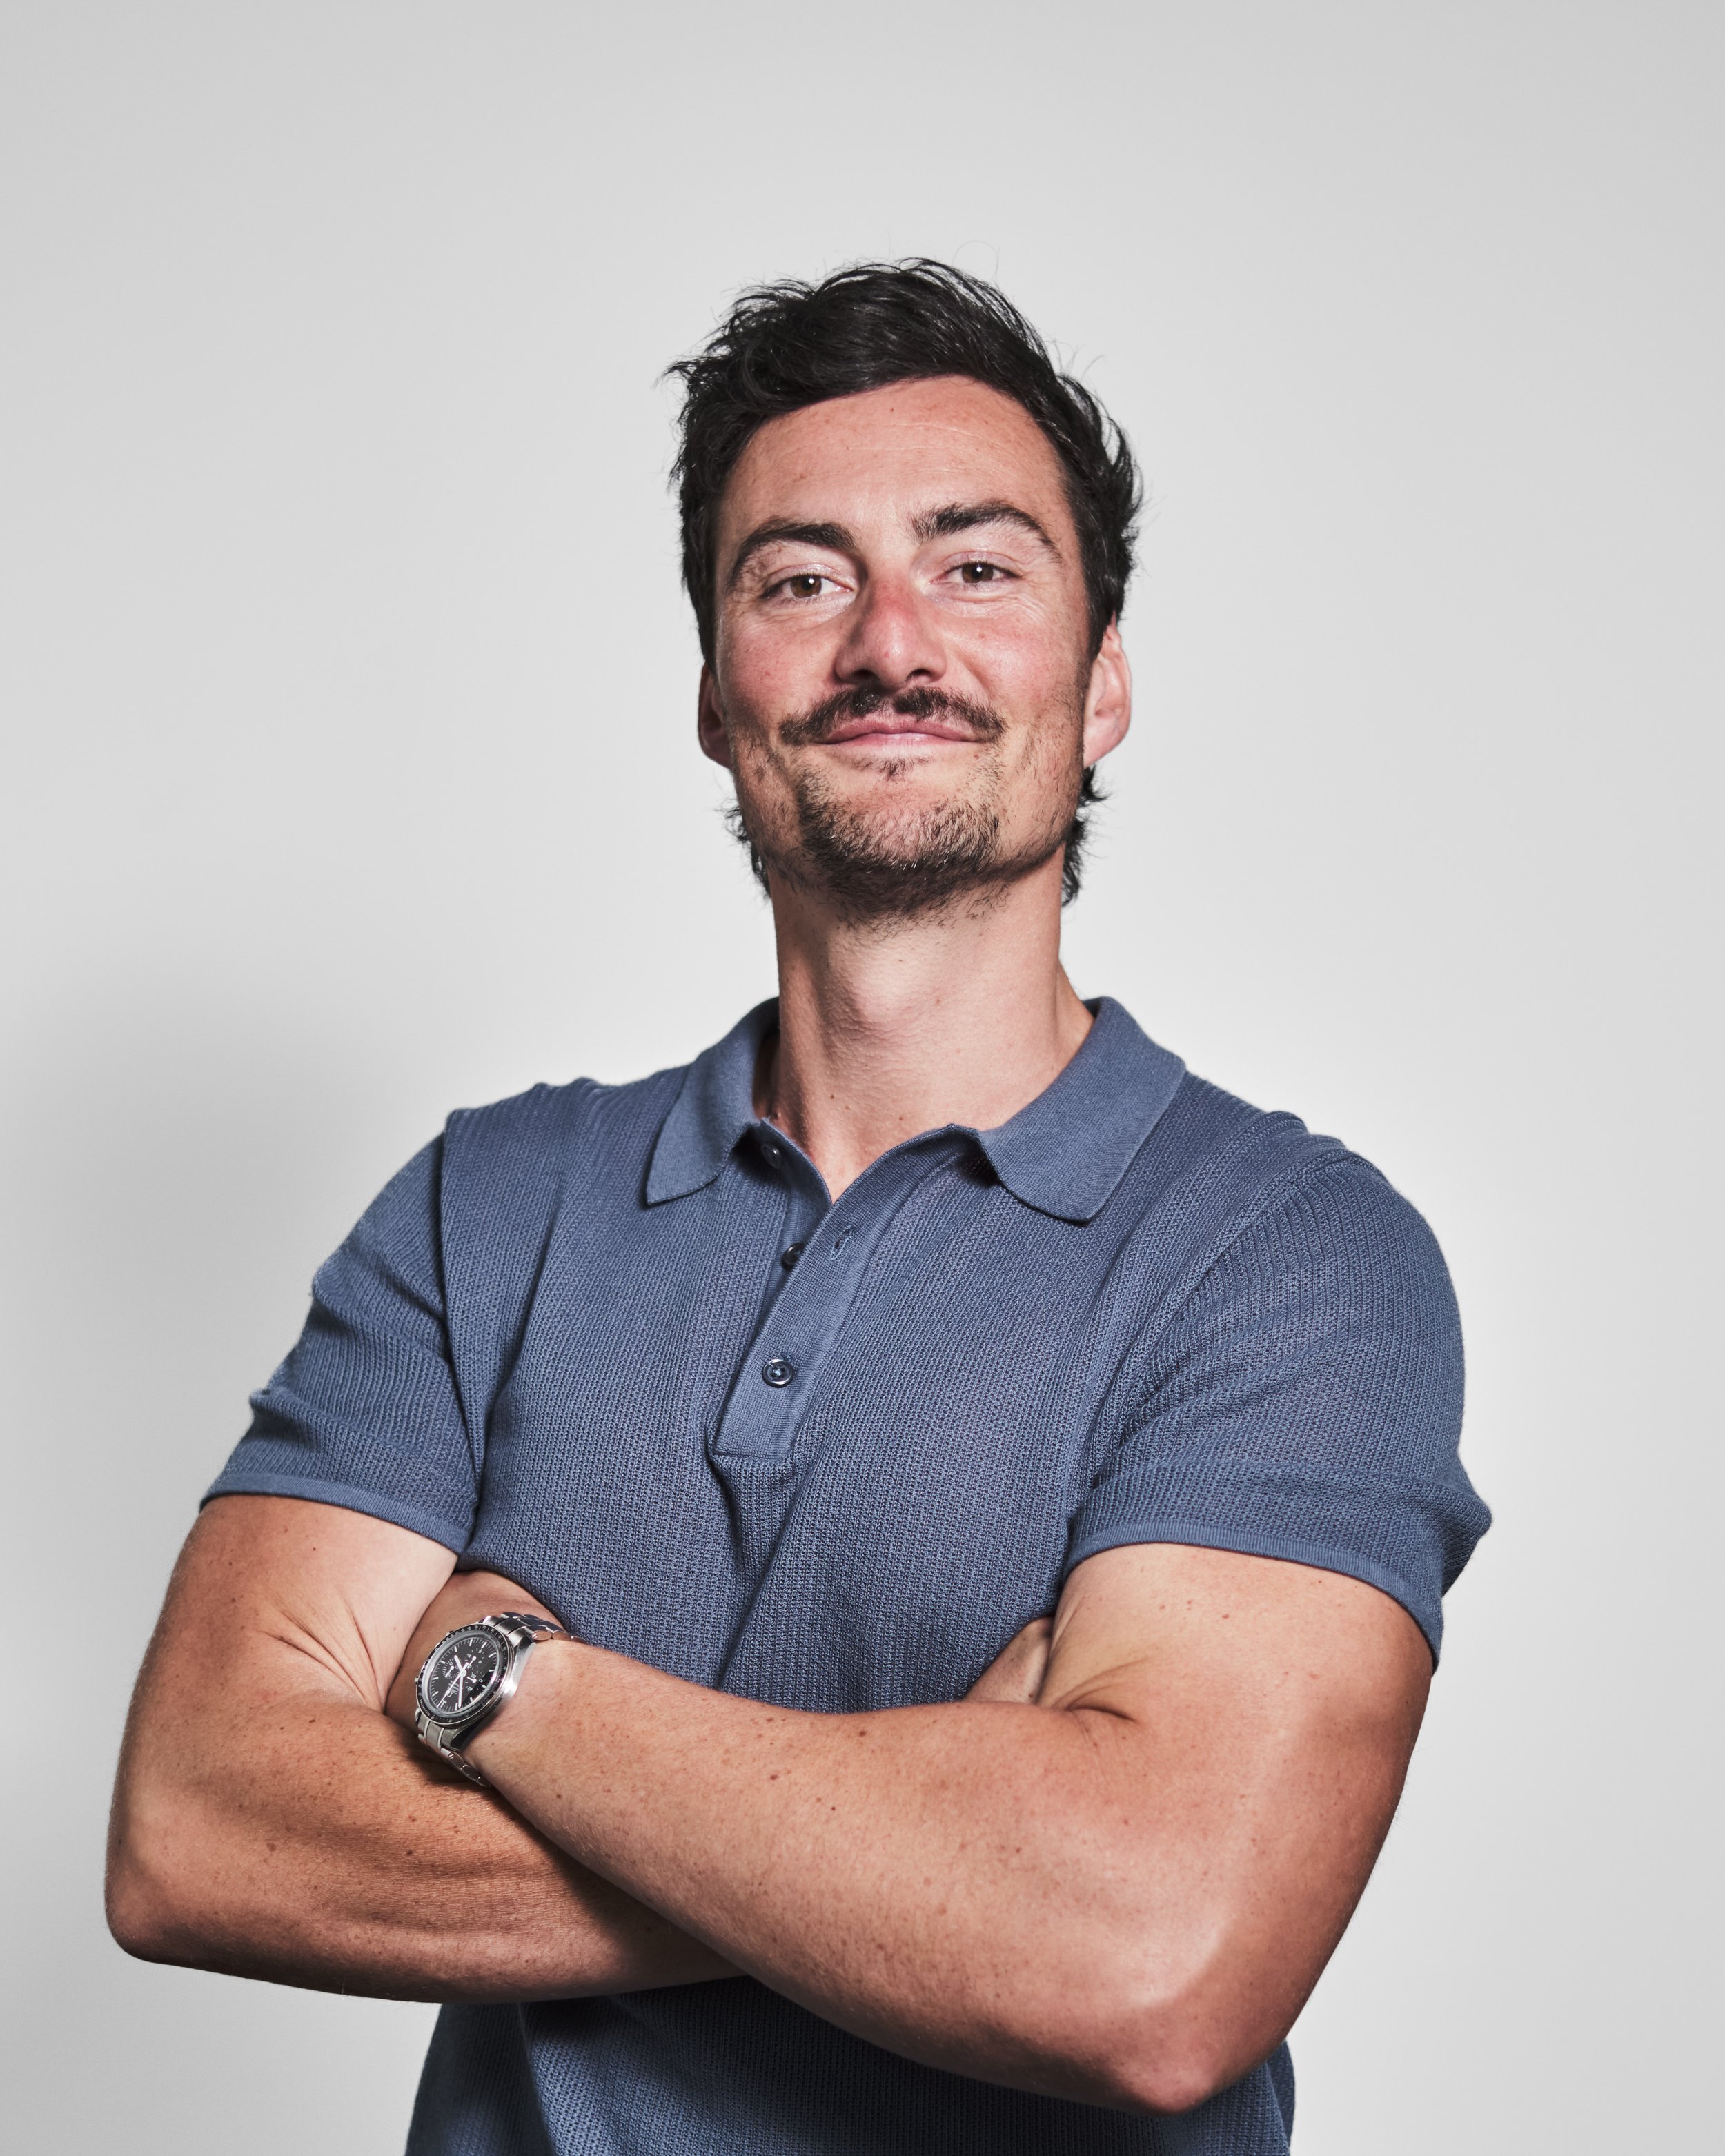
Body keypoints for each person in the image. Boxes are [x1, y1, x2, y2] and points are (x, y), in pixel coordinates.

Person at [107, 261, 1490, 2155]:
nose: (889, 643)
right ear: (714, 693)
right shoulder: (485, 1206)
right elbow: (194, 1829)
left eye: (976, 567)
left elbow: (1151, 1963)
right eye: (799, 580)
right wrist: (952, 1846)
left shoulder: (1288, 1256)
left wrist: (494, 1682)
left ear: (1100, 683)